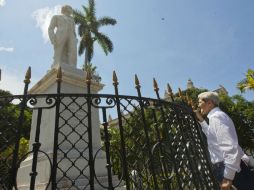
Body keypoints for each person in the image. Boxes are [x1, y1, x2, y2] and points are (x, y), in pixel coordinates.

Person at [195, 91, 254, 190]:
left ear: (209, 103)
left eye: (200, 102)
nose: (198, 105)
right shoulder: (217, 117)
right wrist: (202, 121)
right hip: (229, 168)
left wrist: (227, 178)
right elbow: (212, 136)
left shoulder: (217, 117)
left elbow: (230, 147)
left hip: (229, 169)